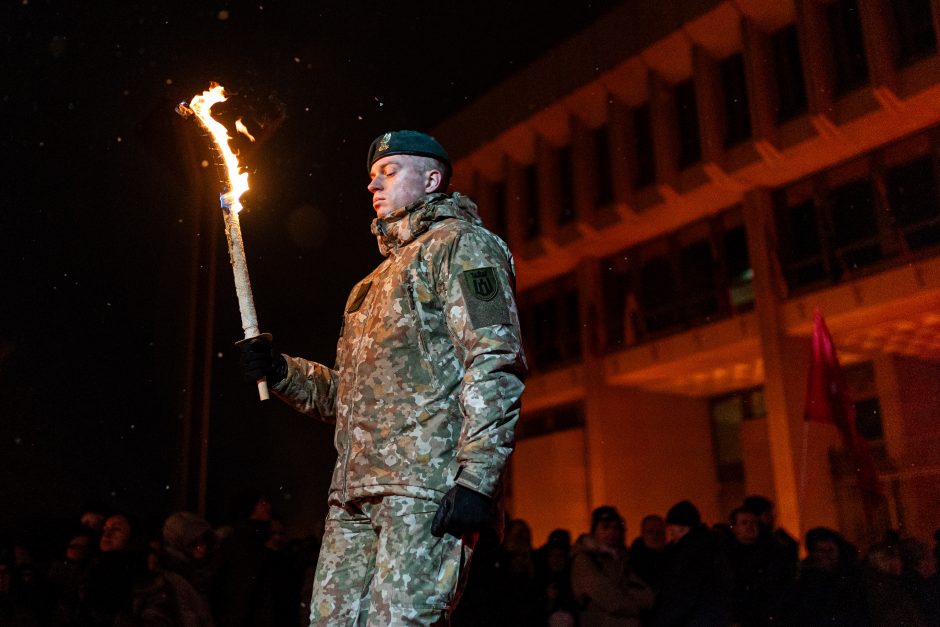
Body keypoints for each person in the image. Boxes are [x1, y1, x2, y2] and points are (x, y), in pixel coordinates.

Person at [240, 130, 527, 626]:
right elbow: (348, 398)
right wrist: (283, 371)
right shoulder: (369, 286)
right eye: (372, 176)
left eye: (389, 171)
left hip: (422, 491)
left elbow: (494, 356)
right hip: (352, 496)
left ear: (432, 179)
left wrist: (478, 478)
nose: (374, 184)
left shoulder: (465, 247)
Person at [570, 506, 654, 627]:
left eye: (615, 528)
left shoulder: (622, 558)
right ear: (594, 530)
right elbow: (608, 597)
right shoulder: (585, 560)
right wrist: (636, 607)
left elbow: (644, 593)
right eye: (605, 527)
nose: (611, 532)